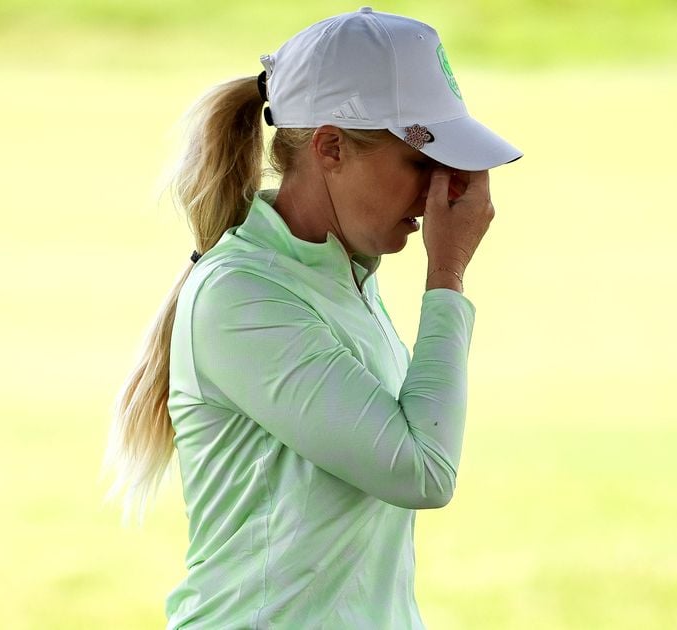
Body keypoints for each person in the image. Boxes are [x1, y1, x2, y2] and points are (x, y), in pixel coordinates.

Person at [102, 6, 522, 628]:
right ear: (329, 147)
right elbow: (422, 472)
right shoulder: (242, 294)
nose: (444, 189)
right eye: (420, 162)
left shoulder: (343, 272)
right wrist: (447, 275)